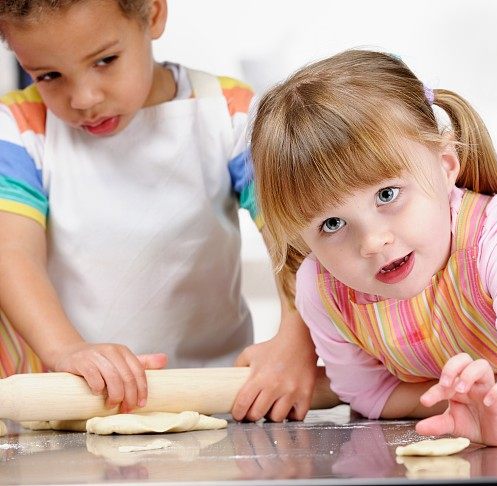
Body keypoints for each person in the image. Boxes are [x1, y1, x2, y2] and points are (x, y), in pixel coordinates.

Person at [250, 49, 497, 446]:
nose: (372, 242)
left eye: (387, 194)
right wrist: (468, 403)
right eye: (332, 224)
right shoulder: (321, 287)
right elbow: (369, 393)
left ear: (446, 165)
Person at [0, 0, 326, 422]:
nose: (84, 98)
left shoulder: (229, 113)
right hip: (65, 403)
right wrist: (67, 349)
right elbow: (12, 254)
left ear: (153, 15)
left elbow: (297, 235)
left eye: (105, 60)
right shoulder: (19, 129)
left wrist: (296, 340)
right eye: (48, 75)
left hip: (214, 396)